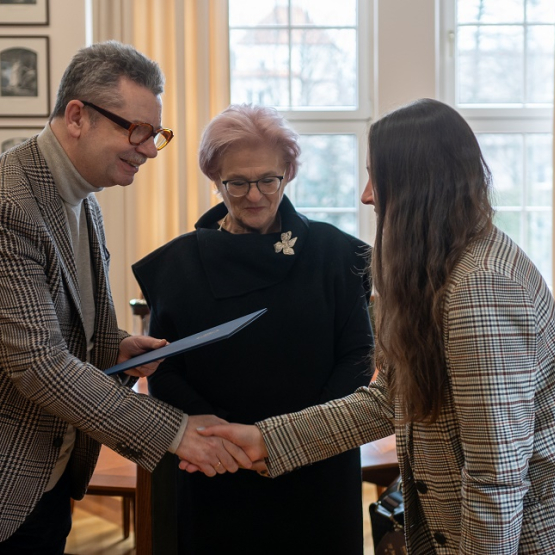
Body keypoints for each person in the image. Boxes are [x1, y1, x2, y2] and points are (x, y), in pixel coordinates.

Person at [197, 99, 555, 554]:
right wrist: (267, 439)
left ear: (418, 187)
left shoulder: (481, 288)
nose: (367, 195)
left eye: (376, 177)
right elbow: (391, 398)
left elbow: (496, 477)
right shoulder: (446, 268)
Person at [0, 41, 249, 554]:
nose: (151, 149)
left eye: (156, 133)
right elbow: (38, 366)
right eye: (136, 130)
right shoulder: (10, 203)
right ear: (76, 116)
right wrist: (175, 431)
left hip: (49, 478)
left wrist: (112, 344)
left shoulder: (83, 196)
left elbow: (55, 317)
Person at [132, 104, 373, 554]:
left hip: (316, 465)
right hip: (214, 468)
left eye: (268, 179)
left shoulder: (337, 255)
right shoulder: (178, 264)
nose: (254, 195)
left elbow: (358, 359)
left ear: (289, 173)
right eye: (236, 182)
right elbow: (164, 369)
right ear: (215, 178)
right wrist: (221, 441)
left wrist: (294, 441)